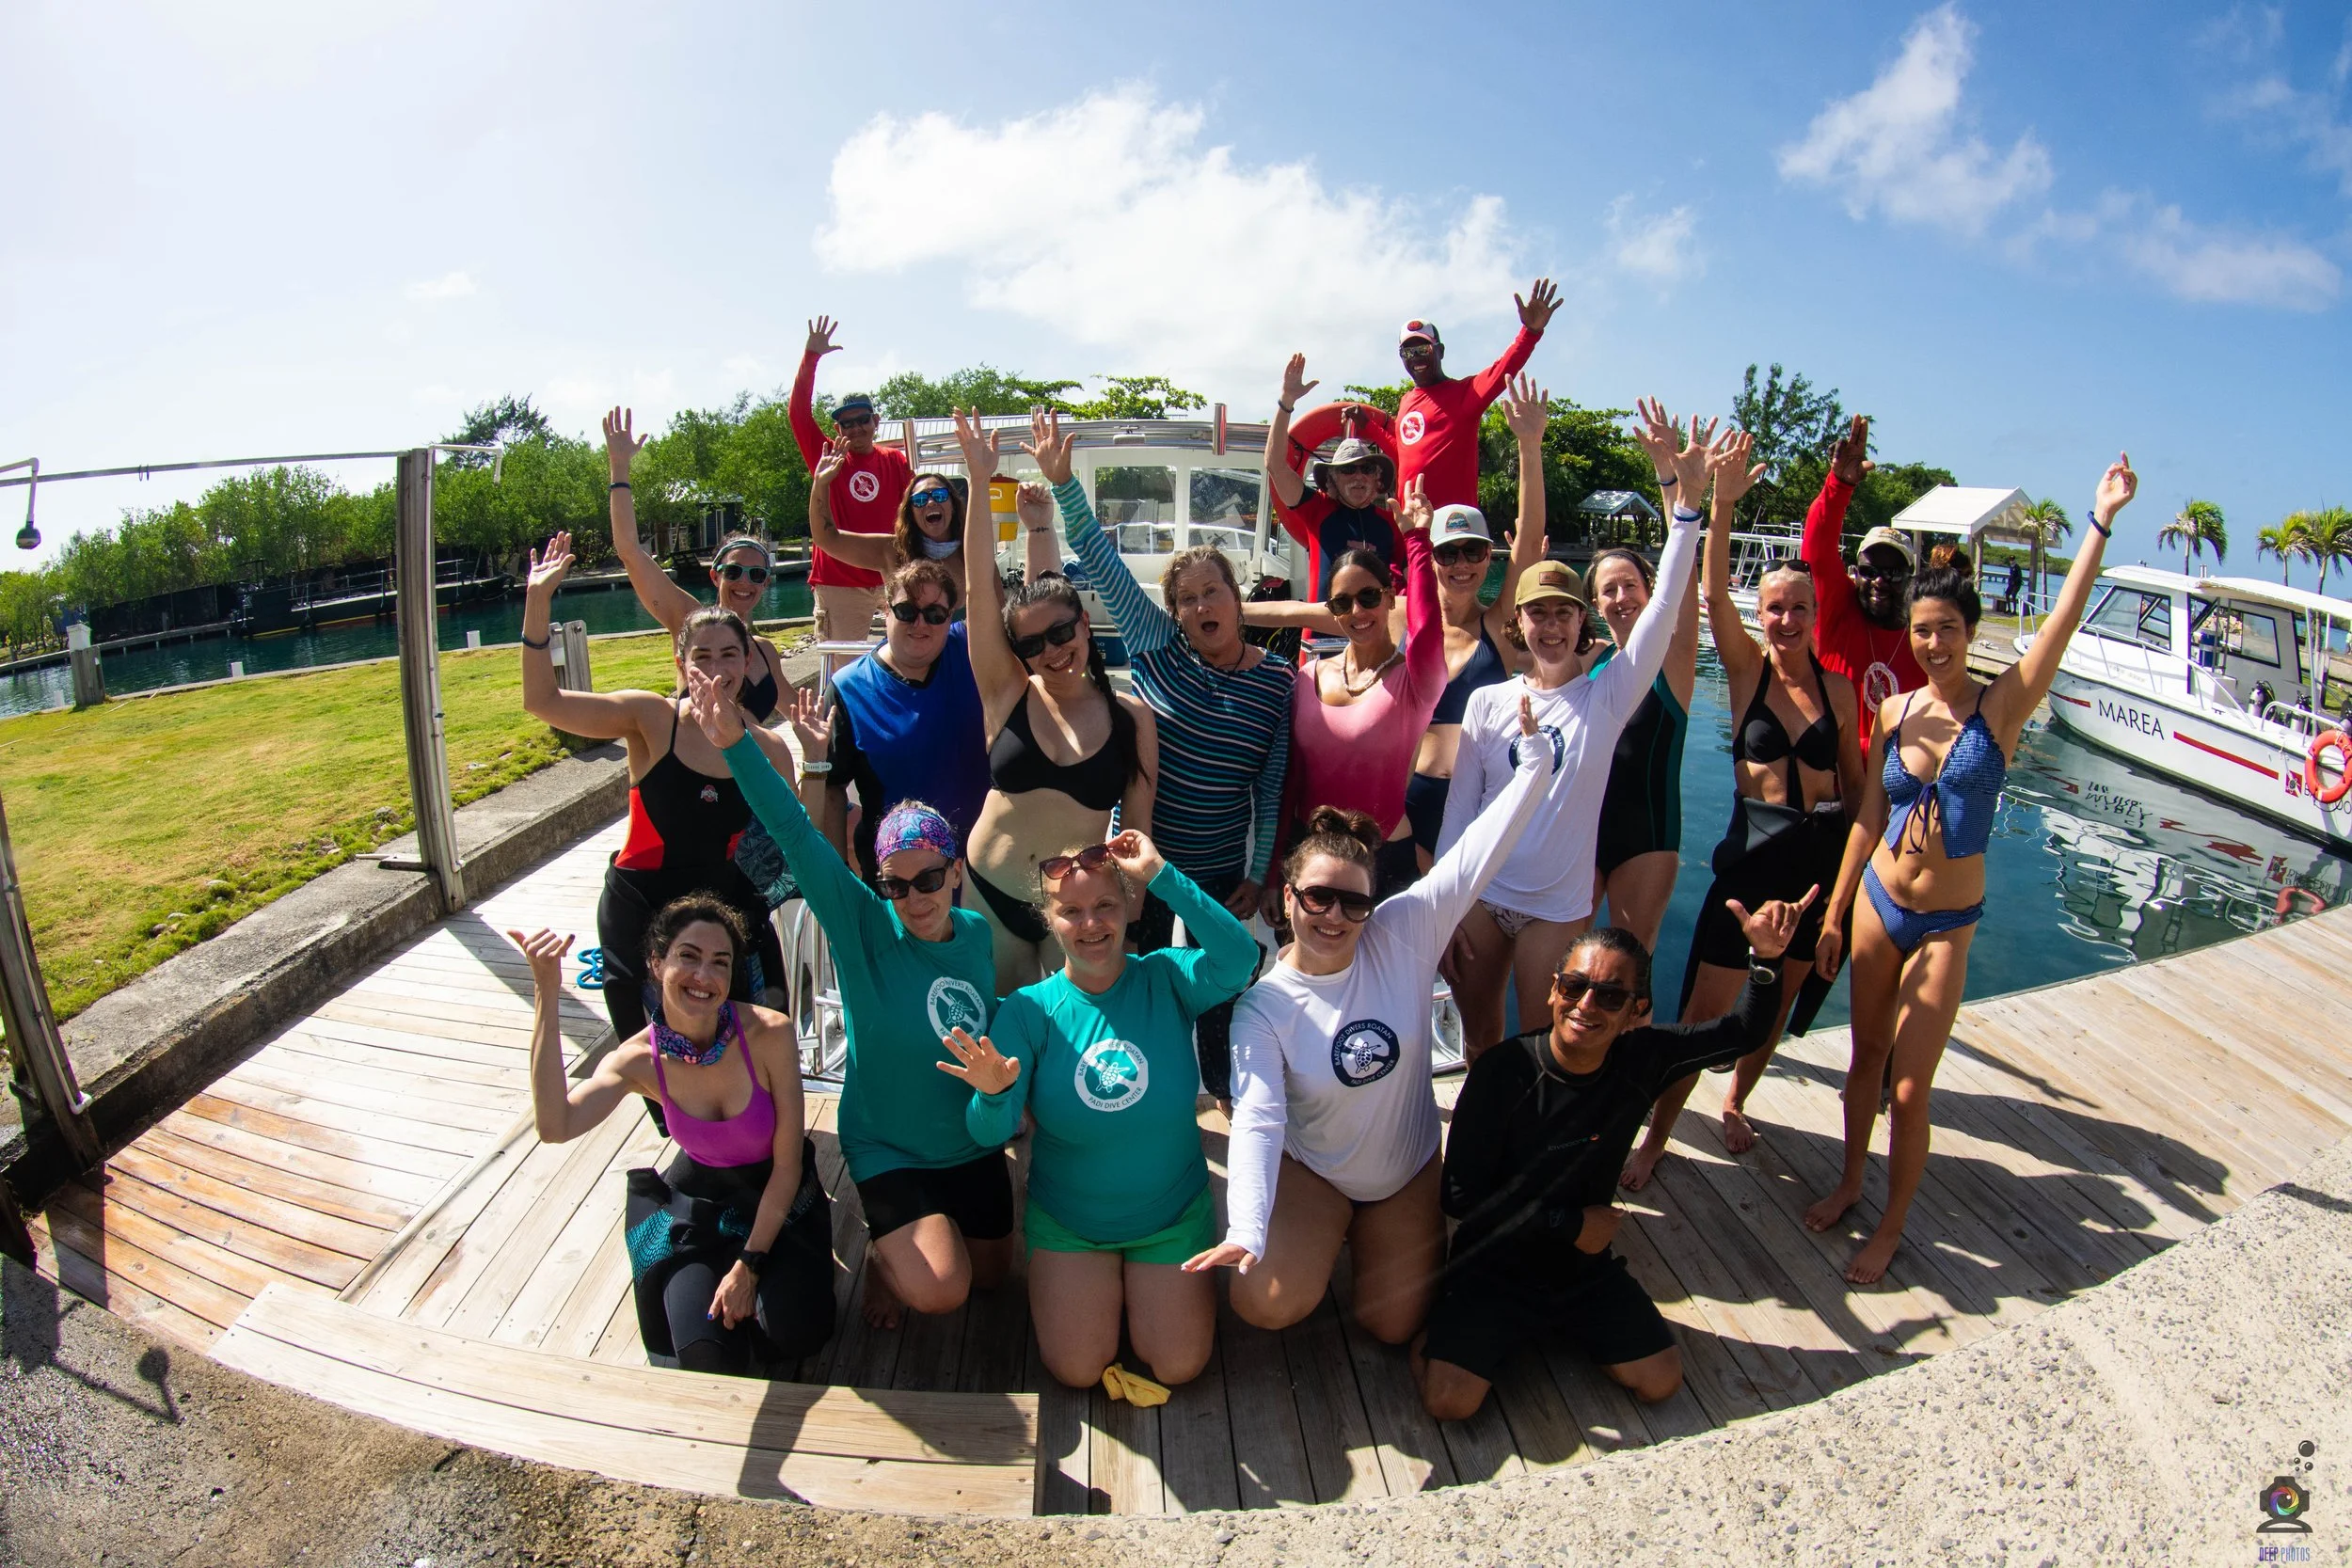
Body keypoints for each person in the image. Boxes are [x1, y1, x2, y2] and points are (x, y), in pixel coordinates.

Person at [1803, 453, 2138, 1285]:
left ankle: (1891, 1222)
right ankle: (1850, 1180)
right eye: (1922, 630)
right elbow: (1870, 817)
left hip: (1948, 920)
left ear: (1971, 633)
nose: (1933, 641)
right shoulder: (1895, 707)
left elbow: (2060, 620)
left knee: (1910, 1090)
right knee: (1864, 1059)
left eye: (1948, 629)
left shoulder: (2003, 705)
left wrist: (2099, 520)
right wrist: (1839, 913)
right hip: (1880, 899)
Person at [1185, 693, 1555, 1344]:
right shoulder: (1263, 1009)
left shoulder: (1405, 929)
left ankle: (1372, 1237)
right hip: (1315, 1171)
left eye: (1353, 902)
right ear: (1289, 898)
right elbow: (1261, 1120)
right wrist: (1246, 1225)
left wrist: (1535, 763)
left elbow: (1480, 851)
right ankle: (1324, 1228)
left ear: (1373, 902)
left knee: (1392, 1328)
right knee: (1261, 1303)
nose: (1334, 915)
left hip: (1404, 1170)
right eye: (1318, 897)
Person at [685, 674, 1010, 1332]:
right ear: (880, 882)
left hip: (969, 1139)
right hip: (890, 1145)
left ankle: (922, 1233)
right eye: (896, 884)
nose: (914, 898)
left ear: (955, 873)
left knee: (998, 1281)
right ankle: (886, 1260)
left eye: (928, 880)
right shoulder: (865, 927)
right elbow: (796, 836)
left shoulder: (975, 934)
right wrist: (737, 745)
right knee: (944, 1290)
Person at [1414, 896, 1815, 1421]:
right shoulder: (1502, 1073)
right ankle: (1448, 1330)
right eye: (1575, 987)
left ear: (1637, 1011)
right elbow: (1460, 1195)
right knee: (1450, 1404)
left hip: (1579, 1269)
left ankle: (1553, 1328)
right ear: (1554, 989)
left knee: (1660, 1381)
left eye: (1609, 996)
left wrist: (1764, 962)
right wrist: (1568, 1223)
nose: (1586, 1006)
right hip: (1495, 1263)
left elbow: (1742, 1033)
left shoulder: (1644, 1059)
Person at [1620, 423, 1864, 1191]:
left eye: (1799, 607)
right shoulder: (1748, 668)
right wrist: (1720, 504)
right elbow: (1712, 590)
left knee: (1781, 998)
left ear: (1817, 612)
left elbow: (1860, 797)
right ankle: (1657, 1135)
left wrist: (1844, 906)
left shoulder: (1840, 691)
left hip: (1817, 866)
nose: (1786, 619)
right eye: (1776, 607)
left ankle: (1736, 1097)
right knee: (1703, 1010)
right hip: (1750, 858)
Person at [1035, 407, 1294, 1101]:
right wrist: (1063, 485)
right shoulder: (1156, 645)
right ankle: (1140, 1093)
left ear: (1237, 601)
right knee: (1136, 982)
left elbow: (1269, 784)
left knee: (1224, 989)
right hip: (1139, 861)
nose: (1201, 605)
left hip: (1216, 864)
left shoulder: (1276, 682)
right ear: (1172, 610)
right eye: (1186, 598)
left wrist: (1259, 869)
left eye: (1213, 592)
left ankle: (1228, 1096)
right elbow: (1099, 557)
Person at [940, 832, 1259, 1391]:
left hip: (1171, 1217)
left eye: (1105, 905)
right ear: (1050, 921)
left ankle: (1141, 1289)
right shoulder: (1027, 1011)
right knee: (1078, 1369)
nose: (1091, 924)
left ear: (1129, 908)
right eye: (1072, 912)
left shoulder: (1166, 976)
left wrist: (1160, 873)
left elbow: (1238, 959)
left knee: (1178, 1365)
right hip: (1071, 1225)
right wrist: (992, 1095)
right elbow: (987, 1132)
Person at [1434, 407, 1706, 1060]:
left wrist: (1688, 509)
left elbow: (1665, 605)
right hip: (1481, 893)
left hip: (1555, 908)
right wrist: (1439, 910)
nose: (1550, 626)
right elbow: (1459, 816)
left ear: (1581, 624)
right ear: (1517, 624)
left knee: (1540, 1044)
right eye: (1537, 614)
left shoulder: (1607, 697)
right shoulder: (1487, 702)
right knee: (1480, 1041)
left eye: (1564, 613)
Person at [512, 902, 833, 1376]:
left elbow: (787, 1167)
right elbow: (555, 1125)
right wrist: (546, 993)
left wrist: (748, 1266)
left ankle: (746, 1270)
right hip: (701, 1202)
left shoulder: (768, 1033)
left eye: (720, 962)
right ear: (657, 963)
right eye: (689, 956)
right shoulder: (637, 1060)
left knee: (791, 1335)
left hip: (776, 1194)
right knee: (701, 1354)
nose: (704, 975)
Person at [518, 531, 792, 1048]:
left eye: (729, 656)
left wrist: (820, 766)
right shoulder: (650, 720)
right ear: (680, 664)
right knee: (659, 1067)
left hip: (725, 910)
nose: (716, 670)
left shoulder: (770, 749)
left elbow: (795, 849)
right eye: (703, 657)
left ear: (747, 662)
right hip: (641, 909)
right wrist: (537, 603)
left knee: (763, 1041)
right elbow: (543, 700)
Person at [952, 411, 1158, 992]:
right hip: (991, 892)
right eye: (1034, 645)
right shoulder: (1007, 690)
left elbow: (1139, 831)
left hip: (1082, 902)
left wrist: (1132, 914)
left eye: (1064, 634)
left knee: (1074, 1051)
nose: (1053, 650)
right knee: (996, 1049)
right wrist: (977, 479)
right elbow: (981, 588)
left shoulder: (1131, 718)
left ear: (1086, 624)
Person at [1246, 481, 1444, 899]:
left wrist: (1418, 542)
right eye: (1341, 603)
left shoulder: (1415, 681)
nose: (1357, 611)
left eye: (1369, 596)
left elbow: (1427, 630)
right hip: (1309, 856)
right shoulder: (1307, 678)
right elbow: (1291, 784)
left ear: (1391, 599)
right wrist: (1270, 873)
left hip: (1384, 859)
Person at [1406, 377, 1556, 869]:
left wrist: (1529, 446)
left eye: (1474, 551)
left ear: (1491, 558)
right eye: (1448, 553)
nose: (1462, 563)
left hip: (1479, 803)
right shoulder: (1399, 622)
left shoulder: (1496, 627)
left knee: (1470, 942)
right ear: (1431, 558)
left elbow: (1530, 545)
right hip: (1406, 803)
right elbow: (1325, 614)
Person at [602, 407, 793, 721]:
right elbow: (629, 551)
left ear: (766, 583)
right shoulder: (688, 621)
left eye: (756, 574)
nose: (744, 582)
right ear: (715, 576)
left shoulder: (765, 653)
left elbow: (799, 713)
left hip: (746, 771)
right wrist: (619, 468)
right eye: (734, 571)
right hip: (693, 769)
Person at [817, 557, 990, 872]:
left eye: (935, 614)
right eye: (906, 611)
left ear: (950, 617)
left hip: (980, 873)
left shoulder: (970, 649)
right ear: (886, 611)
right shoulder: (848, 689)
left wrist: (1037, 528)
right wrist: (837, 876)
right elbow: (831, 789)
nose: (920, 624)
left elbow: (1025, 608)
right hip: (901, 884)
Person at [1583, 531, 1700, 952]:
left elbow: (1685, 583)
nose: (1621, 597)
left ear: (1651, 592)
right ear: (1596, 606)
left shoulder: (1674, 659)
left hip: (1647, 837)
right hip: (1583, 835)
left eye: (1631, 585)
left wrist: (1679, 498)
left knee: (1628, 971)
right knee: (1564, 959)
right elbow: (1526, 636)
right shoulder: (1592, 661)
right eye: (1608, 590)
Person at [1799, 415, 1921, 744]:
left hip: (1895, 790)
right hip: (1831, 783)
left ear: (1909, 578)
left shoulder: (1923, 639)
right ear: (1855, 574)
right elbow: (1818, 548)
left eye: (1892, 572)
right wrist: (1839, 485)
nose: (1879, 581)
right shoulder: (1839, 610)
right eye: (1869, 571)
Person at [793, 316, 913, 642]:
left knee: (908, 660)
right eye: (847, 424)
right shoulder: (827, 457)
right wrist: (811, 357)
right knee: (841, 669)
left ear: (876, 421)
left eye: (862, 420)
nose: (856, 428)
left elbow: (916, 512)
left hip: (892, 576)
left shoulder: (896, 460)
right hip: (838, 581)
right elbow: (798, 415)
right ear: (838, 430)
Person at [1393, 278, 1559, 510]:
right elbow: (1402, 446)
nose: (1416, 358)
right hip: (1409, 528)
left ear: (1440, 351)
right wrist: (1370, 423)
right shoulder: (1405, 401)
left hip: (1453, 533)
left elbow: (1503, 369)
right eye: (1407, 352)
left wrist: (1530, 332)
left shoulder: (1465, 393)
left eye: (1423, 349)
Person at [1263, 353, 1400, 596]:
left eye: (1366, 469)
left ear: (1377, 479)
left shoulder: (1392, 524)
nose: (1358, 476)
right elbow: (1275, 464)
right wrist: (1286, 400)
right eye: (1348, 469)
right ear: (1332, 480)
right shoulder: (1316, 510)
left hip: (1374, 632)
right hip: (1320, 633)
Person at [807, 439, 975, 603]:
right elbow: (827, 538)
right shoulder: (893, 551)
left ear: (953, 505)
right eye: (920, 499)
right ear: (910, 513)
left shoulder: (973, 554)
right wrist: (820, 484)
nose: (931, 502)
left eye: (940, 495)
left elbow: (995, 607)